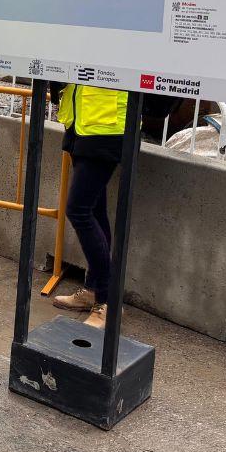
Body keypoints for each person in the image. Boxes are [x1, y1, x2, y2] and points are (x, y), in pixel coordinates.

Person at [50, 84, 177, 328]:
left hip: (108, 127)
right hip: (83, 122)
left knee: (78, 210)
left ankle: (107, 301)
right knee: (94, 210)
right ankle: (92, 290)